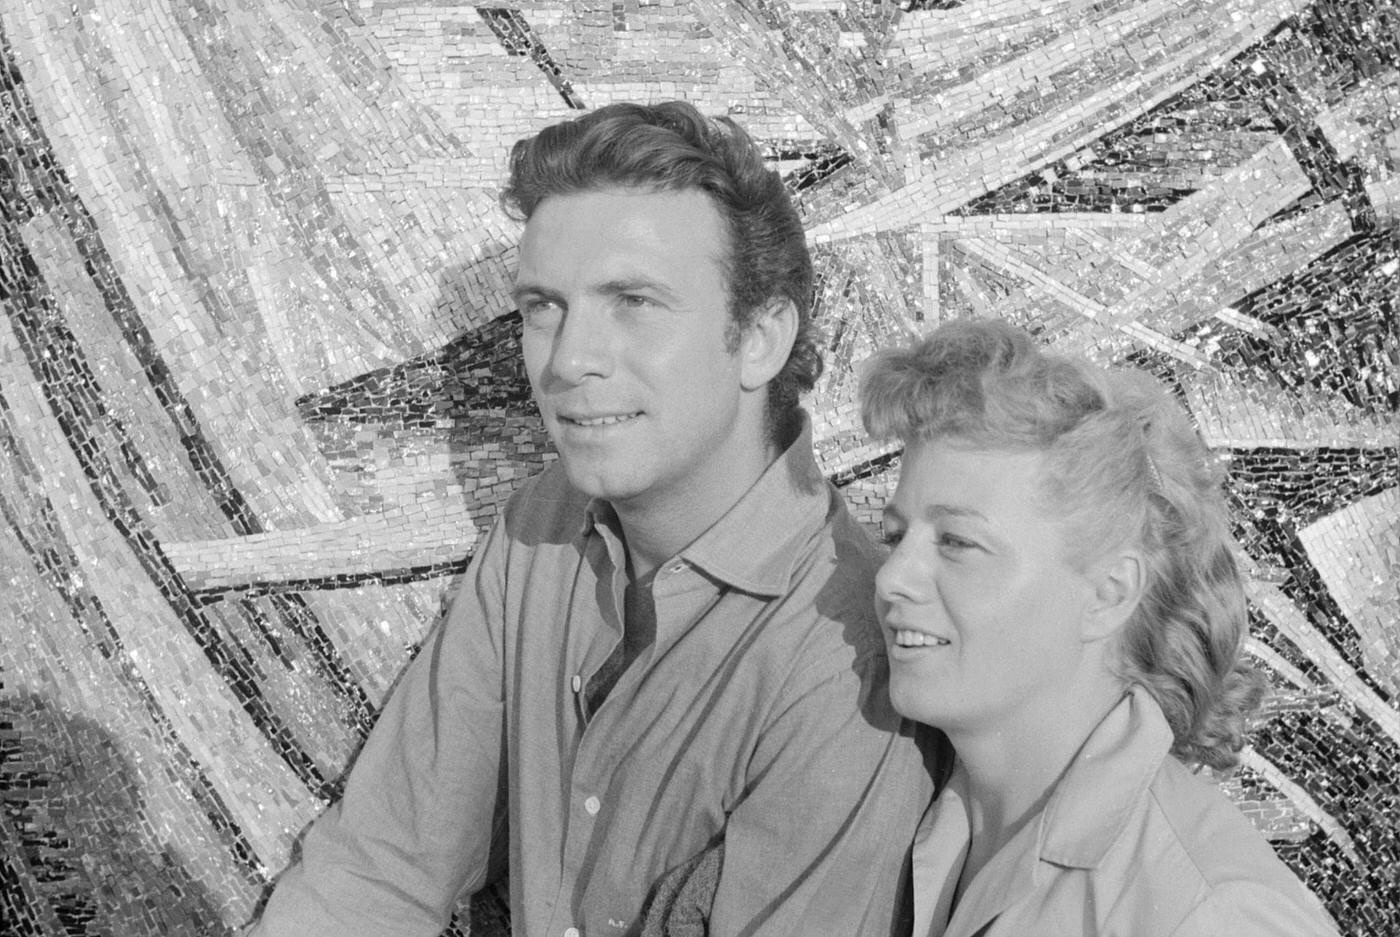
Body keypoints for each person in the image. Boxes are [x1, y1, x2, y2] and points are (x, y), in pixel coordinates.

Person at [247, 100, 930, 937]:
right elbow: (381, 867)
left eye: (633, 301)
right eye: (543, 307)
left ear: (759, 337)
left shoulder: (847, 659)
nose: (568, 361)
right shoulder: (545, 523)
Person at [860, 318, 1340, 937]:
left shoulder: (1209, 913)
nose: (892, 576)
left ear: (1109, 595)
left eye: (956, 542)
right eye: (895, 535)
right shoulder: (925, 819)